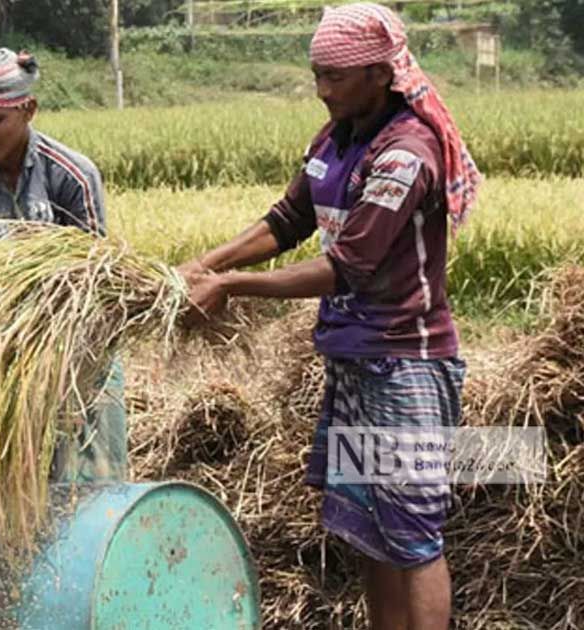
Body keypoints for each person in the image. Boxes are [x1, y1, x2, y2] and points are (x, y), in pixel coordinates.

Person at [179, 5, 481, 628]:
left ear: (380, 73)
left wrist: (230, 286)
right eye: (316, 74)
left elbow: (350, 263)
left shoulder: (407, 151)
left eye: (335, 77)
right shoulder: (335, 137)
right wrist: (205, 263)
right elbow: (288, 219)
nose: (322, 90)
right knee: (372, 530)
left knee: (414, 535)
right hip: (352, 360)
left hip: (405, 366)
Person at [0, 45, 125, 483]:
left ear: (29, 109)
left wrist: (69, 377)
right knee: (7, 491)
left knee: (92, 484)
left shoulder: (72, 175)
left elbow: (95, 286)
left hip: (79, 358)